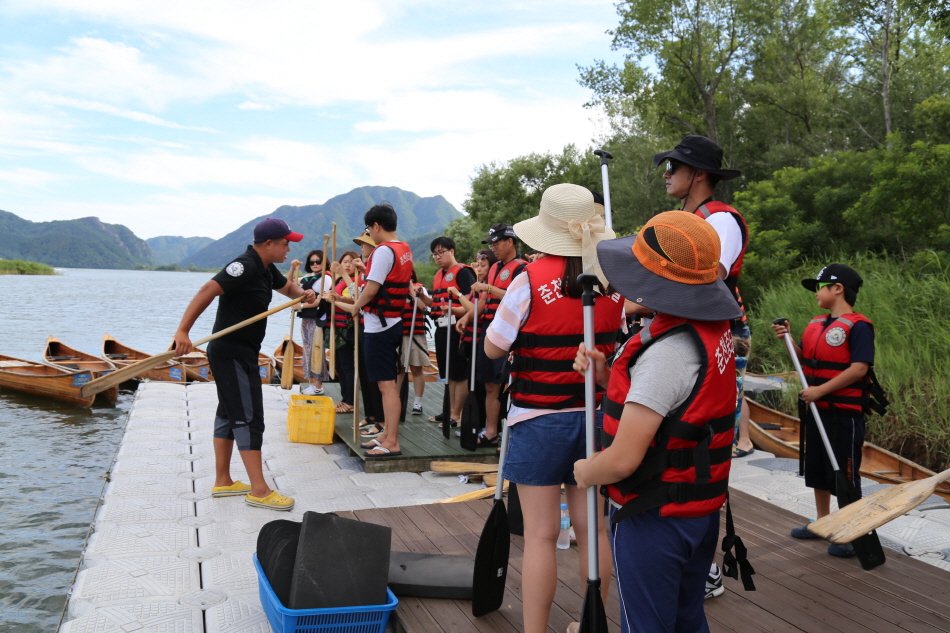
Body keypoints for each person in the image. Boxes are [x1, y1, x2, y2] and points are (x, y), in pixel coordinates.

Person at [573, 211, 749, 633]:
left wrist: (583, 472)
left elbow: (622, 461)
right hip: (698, 512)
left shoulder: (667, 353)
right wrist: (604, 375)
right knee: (687, 618)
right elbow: (679, 403)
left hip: (654, 517)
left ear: (661, 288)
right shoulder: (709, 330)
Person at [483, 184, 623, 633]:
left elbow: (493, 348)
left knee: (542, 536)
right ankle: (590, 626)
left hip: (537, 420)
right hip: (595, 422)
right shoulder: (612, 282)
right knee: (594, 532)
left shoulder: (526, 279)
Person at [654, 134, 750, 599]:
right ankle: (686, 556)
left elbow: (708, 281)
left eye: (673, 166)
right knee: (675, 444)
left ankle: (706, 565)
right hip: (680, 338)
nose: (667, 174)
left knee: (703, 445)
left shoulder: (721, 221)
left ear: (699, 175)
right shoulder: (686, 220)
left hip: (710, 341)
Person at [173, 218, 315, 511]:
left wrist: (305, 294)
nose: (289, 248)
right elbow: (206, 290)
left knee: (228, 413)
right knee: (249, 416)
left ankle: (223, 481)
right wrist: (183, 332)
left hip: (243, 352)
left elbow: (288, 289)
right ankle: (259, 490)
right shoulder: (245, 266)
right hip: (231, 353)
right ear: (268, 244)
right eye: (286, 243)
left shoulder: (265, 269)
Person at [771, 264, 877, 559]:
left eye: (820, 287)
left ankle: (850, 530)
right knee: (818, 468)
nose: (816, 293)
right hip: (817, 411)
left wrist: (819, 391)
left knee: (845, 472)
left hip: (843, 414)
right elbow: (806, 357)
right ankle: (824, 521)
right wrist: (788, 340)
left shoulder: (858, 327)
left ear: (838, 289)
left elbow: (859, 368)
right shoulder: (816, 323)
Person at [336, 203, 413, 458]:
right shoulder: (404, 248)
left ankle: (392, 442)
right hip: (391, 322)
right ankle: (385, 434)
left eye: (369, 228)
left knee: (387, 386)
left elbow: (371, 289)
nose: (370, 232)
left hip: (379, 326)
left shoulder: (383, 251)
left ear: (376, 226)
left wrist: (355, 307)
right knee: (385, 385)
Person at [458, 223, 527, 447]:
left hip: (509, 330)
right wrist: (467, 317)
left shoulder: (521, 268)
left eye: (497, 243)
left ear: (510, 242)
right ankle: (491, 432)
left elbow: (515, 296)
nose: (494, 247)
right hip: (489, 328)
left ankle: (510, 433)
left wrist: (487, 288)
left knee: (507, 384)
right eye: (492, 244)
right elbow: (486, 300)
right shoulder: (495, 268)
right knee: (489, 384)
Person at [428, 236, 476, 428]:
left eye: (441, 252)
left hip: (458, 327)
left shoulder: (463, 273)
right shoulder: (439, 274)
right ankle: (449, 410)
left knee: (459, 373)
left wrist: (452, 310)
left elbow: (470, 306)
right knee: (447, 372)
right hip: (441, 328)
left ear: (452, 252)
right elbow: (436, 302)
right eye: (434, 254)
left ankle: (457, 414)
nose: (438, 257)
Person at [449, 249, 498, 432]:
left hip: (482, 340)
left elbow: (477, 308)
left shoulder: (488, 286)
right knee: (474, 382)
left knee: (482, 385)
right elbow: (470, 310)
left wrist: (458, 295)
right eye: (476, 264)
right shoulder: (479, 285)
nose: (478, 268)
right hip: (471, 340)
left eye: (483, 265)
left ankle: (480, 425)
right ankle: (473, 424)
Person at [295, 249, 333, 396]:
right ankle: (313, 384)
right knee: (307, 350)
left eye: (318, 261)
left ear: (325, 262)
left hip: (317, 318)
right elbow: (292, 284)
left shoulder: (326, 278)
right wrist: (294, 268)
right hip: (306, 318)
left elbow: (318, 301)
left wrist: (301, 306)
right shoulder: (309, 277)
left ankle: (318, 385)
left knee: (316, 350)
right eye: (312, 262)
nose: (315, 264)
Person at [397, 266, 433, 416]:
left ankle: (417, 403)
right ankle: (397, 400)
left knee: (416, 368)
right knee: (398, 369)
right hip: (398, 334)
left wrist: (411, 289)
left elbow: (423, 306)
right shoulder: (395, 289)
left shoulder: (420, 289)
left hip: (415, 335)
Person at [326, 250, 359, 413]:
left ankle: (351, 402)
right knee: (339, 365)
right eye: (344, 262)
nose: (347, 264)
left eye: (351, 262)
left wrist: (337, 299)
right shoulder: (337, 280)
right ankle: (345, 398)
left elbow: (354, 299)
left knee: (347, 366)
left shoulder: (357, 281)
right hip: (336, 327)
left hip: (348, 328)